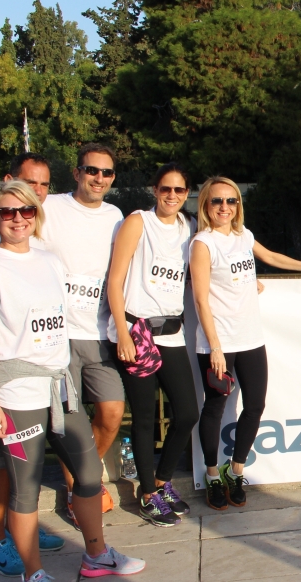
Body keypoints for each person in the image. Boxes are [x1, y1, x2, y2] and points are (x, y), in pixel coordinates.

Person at [0, 180, 144, 582]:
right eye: (8, 212)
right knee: (24, 491)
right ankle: (33, 578)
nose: (18, 219)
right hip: (16, 392)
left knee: (88, 474)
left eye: (26, 210)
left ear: (36, 215)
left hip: (59, 389)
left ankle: (97, 555)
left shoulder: (48, 259)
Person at [190, 177, 301, 510]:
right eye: (217, 201)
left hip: (250, 338)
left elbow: (270, 256)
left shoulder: (243, 236)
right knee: (215, 408)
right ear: (206, 205)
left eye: (231, 201)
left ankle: (235, 470)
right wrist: (215, 347)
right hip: (218, 343)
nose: (224, 207)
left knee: (255, 405)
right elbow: (200, 299)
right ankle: (212, 475)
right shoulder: (203, 243)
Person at [0, 153, 65, 578]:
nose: (34, 193)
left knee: (23, 467)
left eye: (42, 186)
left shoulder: (41, 246)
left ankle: (24, 527)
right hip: (0, 369)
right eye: (28, 183)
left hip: (39, 372)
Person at [106, 163, 200, 527]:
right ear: (154, 190)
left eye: (179, 190)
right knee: (145, 418)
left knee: (187, 413)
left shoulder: (189, 227)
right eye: (165, 189)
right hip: (138, 331)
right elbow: (115, 281)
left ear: (187, 193)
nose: (172, 196)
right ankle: (147, 495)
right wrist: (122, 332)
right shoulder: (138, 222)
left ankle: (161, 482)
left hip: (171, 333)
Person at [36, 144, 125, 525]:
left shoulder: (116, 216)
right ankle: (80, 488)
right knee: (67, 417)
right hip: (57, 332)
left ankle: (85, 475)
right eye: (91, 170)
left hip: (99, 330)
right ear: (76, 173)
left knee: (112, 410)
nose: (98, 178)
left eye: (106, 173)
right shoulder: (51, 206)